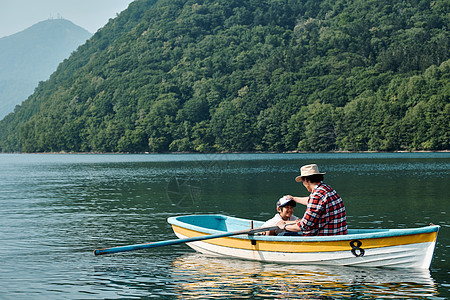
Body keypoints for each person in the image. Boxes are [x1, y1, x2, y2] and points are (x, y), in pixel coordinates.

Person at [277, 164, 347, 236]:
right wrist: (294, 198)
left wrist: (284, 226)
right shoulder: (327, 189)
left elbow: (305, 226)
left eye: (303, 181)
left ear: (306, 180)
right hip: (338, 233)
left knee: (282, 235)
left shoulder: (316, 196)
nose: (303, 184)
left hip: (323, 238)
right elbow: (313, 202)